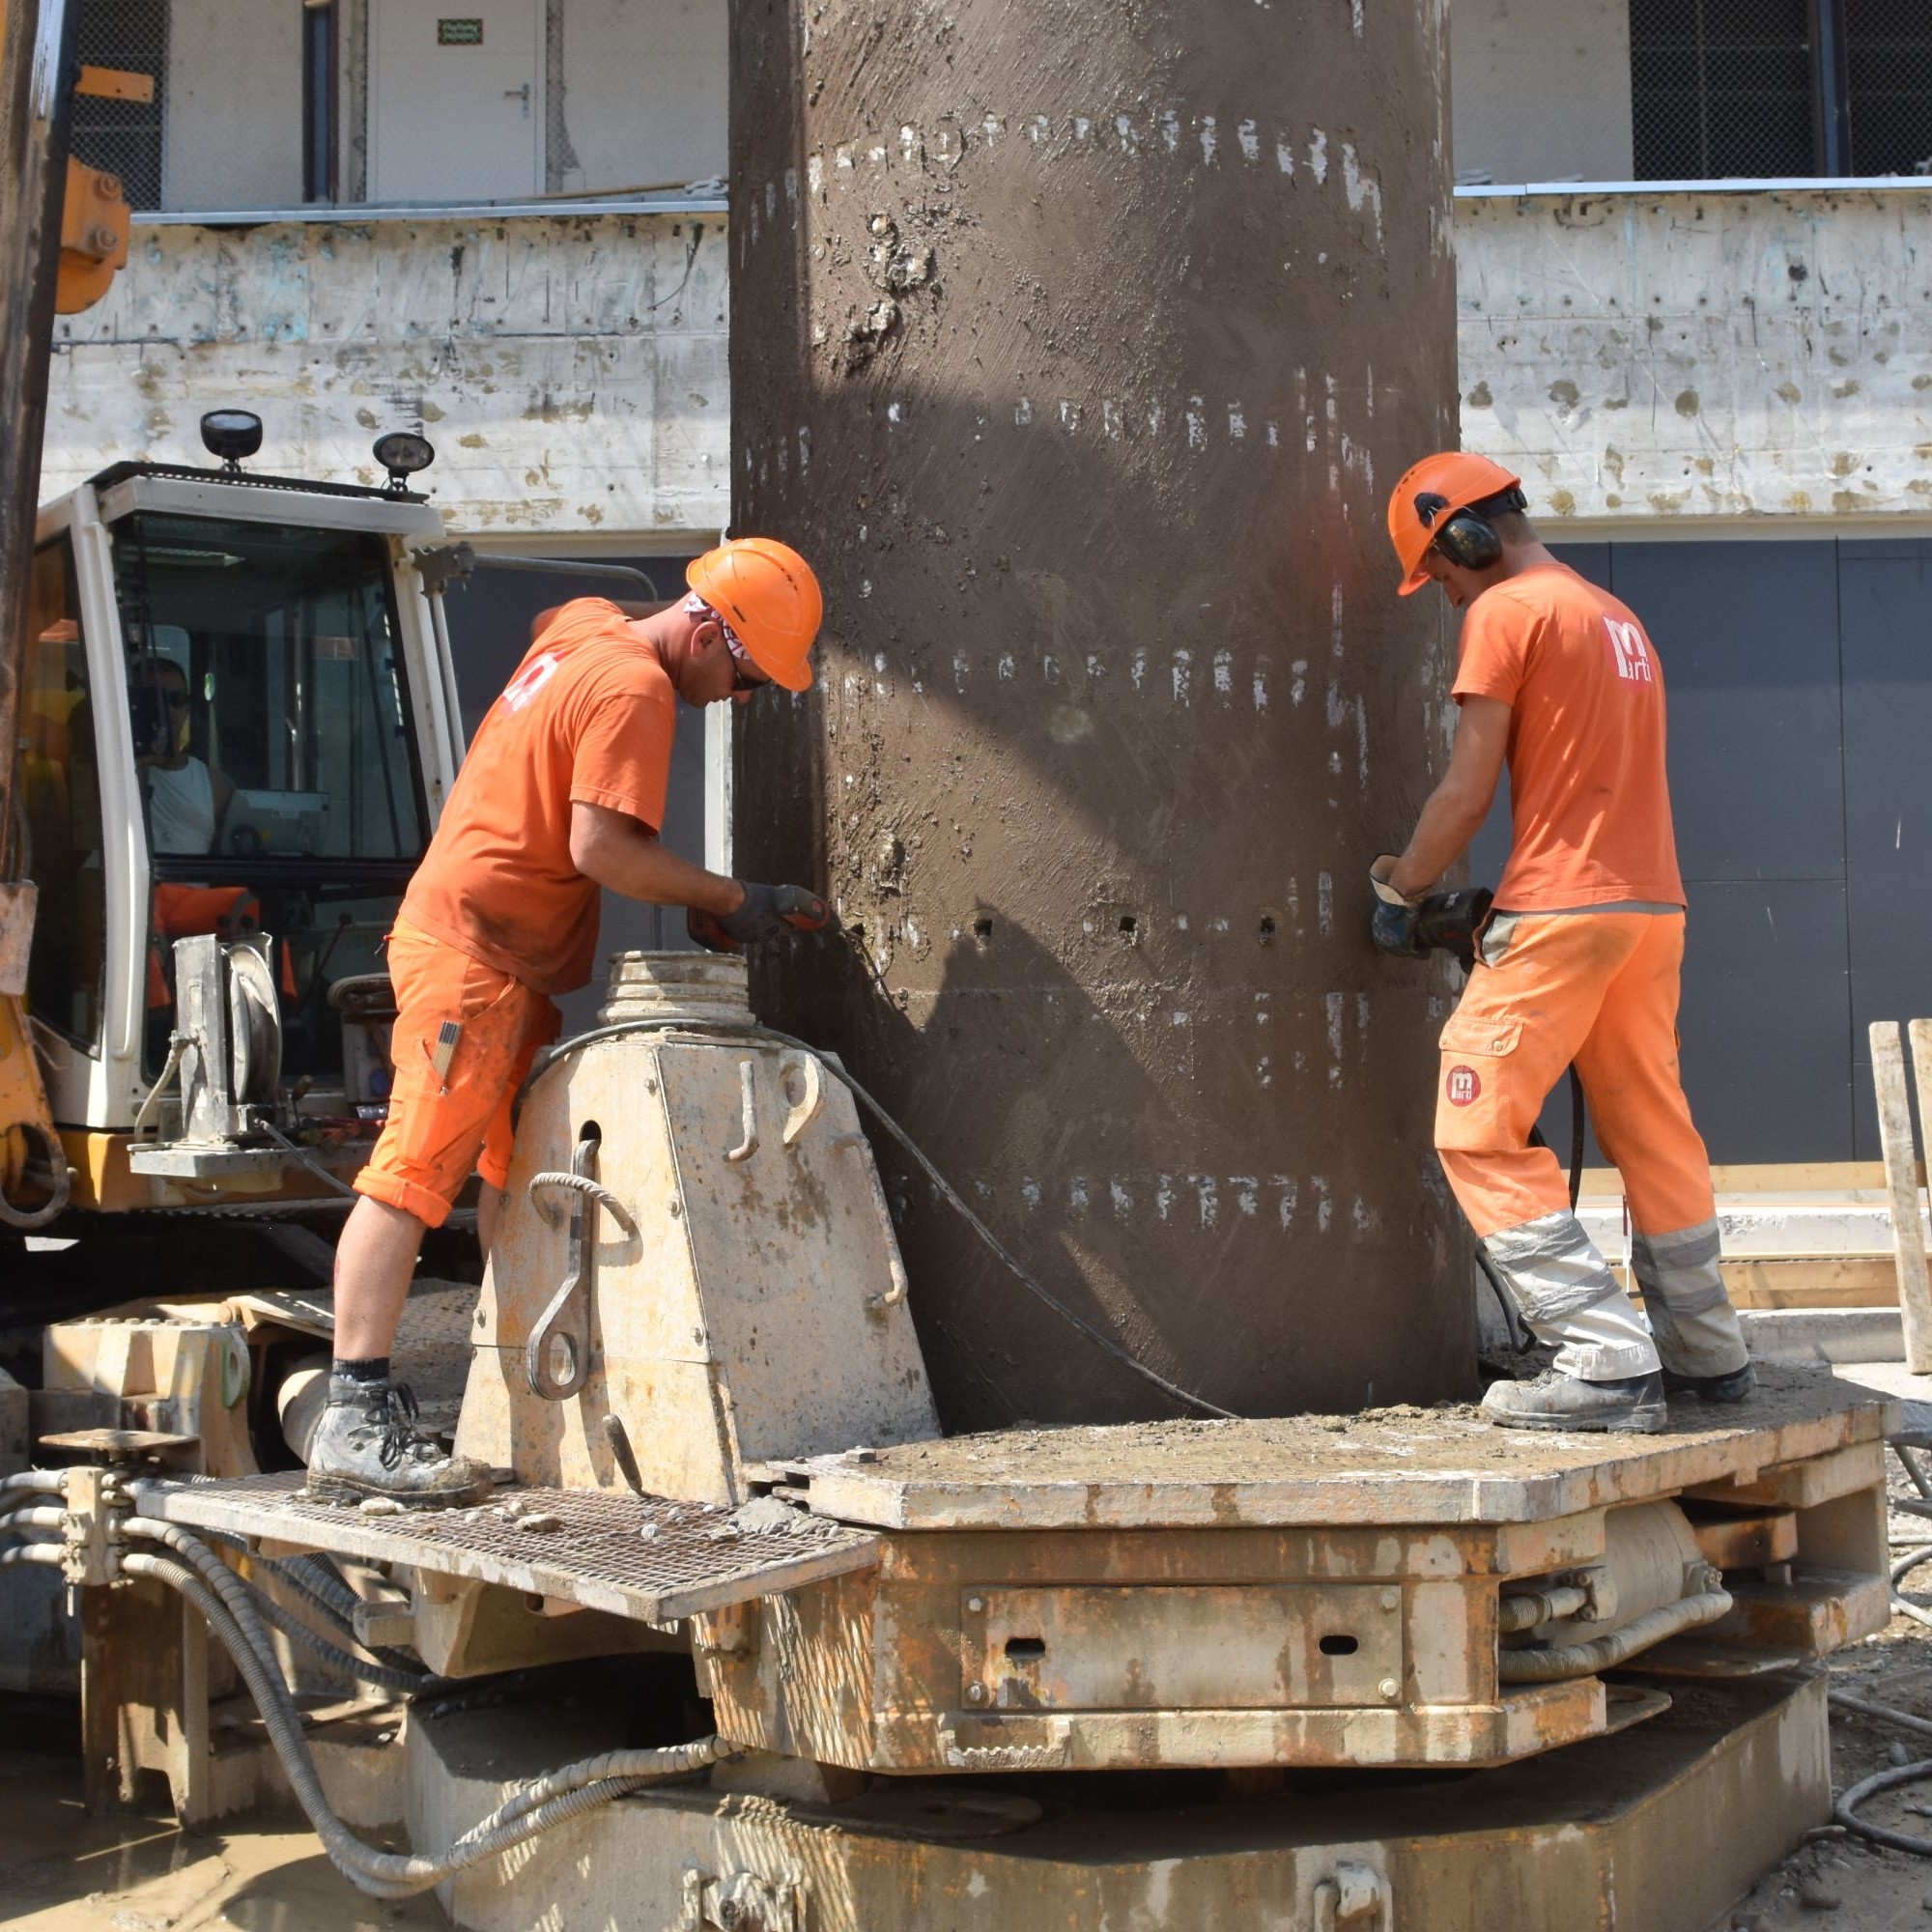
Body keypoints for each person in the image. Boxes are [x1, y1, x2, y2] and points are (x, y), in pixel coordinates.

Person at [306, 538, 827, 1505]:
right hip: (473, 956)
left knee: (508, 1166)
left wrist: (699, 897)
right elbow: (600, 845)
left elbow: (558, 753)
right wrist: (732, 893)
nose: (740, 696)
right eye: (745, 672)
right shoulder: (634, 687)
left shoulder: (588, 627)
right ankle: (353, 1412)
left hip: (493, 952)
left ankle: (506, 1393)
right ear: (708, 629)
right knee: (412, 1174)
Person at [1371, 452, 1752, 1435]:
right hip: (1647, 910)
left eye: (1441, 571)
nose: (1447, 594)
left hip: (1561, 911)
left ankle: (1601, 1358)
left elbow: (1463, 793)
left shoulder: (1506, 613)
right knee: (1650, 1124)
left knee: (1475, 1117)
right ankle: (1706, 1356)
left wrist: (1399, 883)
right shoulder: (1616, 618)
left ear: (1465, 535)